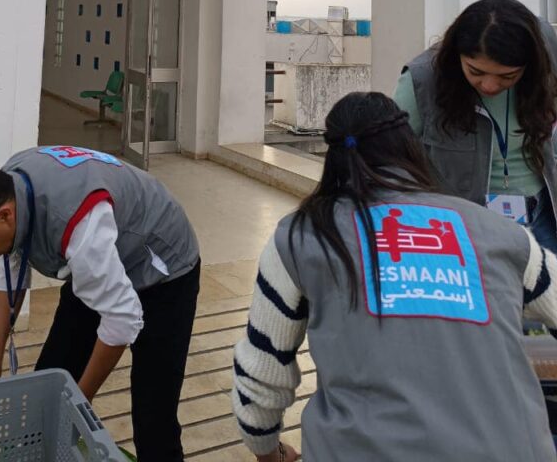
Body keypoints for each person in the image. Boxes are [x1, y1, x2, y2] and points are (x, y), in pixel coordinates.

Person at [232, 92, 557, 462]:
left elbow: (261, 375)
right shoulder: (500, 233)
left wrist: (267, 452)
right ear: (410, 147)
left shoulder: (302, 237)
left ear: (333, 157)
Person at [0, 144, 200, 462]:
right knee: (50, 387)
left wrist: (80, 405)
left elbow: (122, 318)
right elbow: (12, 265)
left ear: (5, 216)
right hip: (100, 261)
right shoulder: (6, 187)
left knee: (153, 417)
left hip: (164, 269)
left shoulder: (78, 224)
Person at [393, 0, 557, 253]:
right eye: (476, 72)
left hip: (543, 216)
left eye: (508, 76)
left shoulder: (545, 49)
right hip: (462, 225)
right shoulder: (422, 81)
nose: (490, 86)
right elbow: (389, 157)